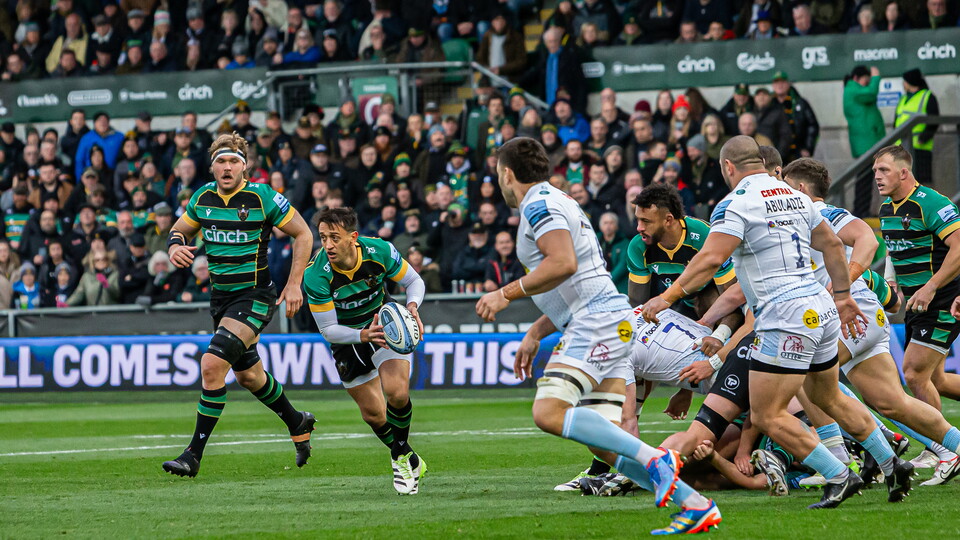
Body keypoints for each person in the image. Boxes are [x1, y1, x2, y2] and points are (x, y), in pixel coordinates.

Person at [642, 135, 912, 509]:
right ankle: (892, 463)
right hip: (821, 310)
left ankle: (838, 475)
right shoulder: (796, 196)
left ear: (728, 167)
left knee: (767, 414)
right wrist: (843, 296)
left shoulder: (734, 204)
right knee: (828, 396)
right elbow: (834, 245)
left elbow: (710, 259)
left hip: (783, 317)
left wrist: (666, 297)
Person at [475, 137, 722, 535]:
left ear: (506, 174)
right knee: (604, 443)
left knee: (547, 412)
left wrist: (505, 293)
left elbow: (563, 263)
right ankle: (695, 504)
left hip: (594, 323)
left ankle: (658, 459)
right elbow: (578, 278)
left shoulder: (538, 205)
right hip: (610, 318)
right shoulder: (559, 200)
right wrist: (537, 330)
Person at [781, 157, 960, 485]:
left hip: (857, 315)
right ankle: (948, 448)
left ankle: (840, 463)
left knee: (804, 375)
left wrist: (843, 286)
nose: (778, 193)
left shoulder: (821, 213)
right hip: (863, 317)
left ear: (801, 189)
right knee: (892, 402)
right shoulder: (799, 220)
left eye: (784, 186)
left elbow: (867, 239)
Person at [161, 133, 316, 478]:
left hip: (255, 296)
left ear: (245, 166)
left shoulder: (262, 196)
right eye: (221, 161)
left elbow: (304, 233)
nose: (227, 167)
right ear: (212, 166)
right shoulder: (202, 197)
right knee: (249, 376)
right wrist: (174, 247)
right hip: (221, 300)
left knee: (212, 365)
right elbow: (178, 230)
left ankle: (192, 455)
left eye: (234, 161)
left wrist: (294, 284)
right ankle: (297, 421)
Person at [302, 207, 428, 495]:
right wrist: (361, 335)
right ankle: (409, 456)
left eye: (335, 237)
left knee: (397, 392)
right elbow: (328, 329)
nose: (328, 245)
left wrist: (412, 308)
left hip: (384, 325)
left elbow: (414, 281)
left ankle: (399, 460)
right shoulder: (316, 275)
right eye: (323, 237)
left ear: (353, 237)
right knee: (373, 414)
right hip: (347, 338)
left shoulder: (379, 251)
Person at [876, 146, 960, 430]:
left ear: (903, 173)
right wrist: (891, 280)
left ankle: (942, 444)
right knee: (937, 379)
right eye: (875, 171)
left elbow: (959, 247)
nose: (877, 176)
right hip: (917, 303)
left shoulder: (931, 203)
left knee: (913, 373)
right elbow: (893, 248)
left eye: (884, 170)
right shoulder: (886, 209)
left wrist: (931, 287)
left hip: (944, 299)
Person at [628, 183, 735, 315]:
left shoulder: (705, 236)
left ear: (668, 220)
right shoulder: (638, 246)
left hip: (715, 299)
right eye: (638, 220)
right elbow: (636, 304)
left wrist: (721, 328)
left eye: (646, 221)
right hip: (682, 303)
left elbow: (731, 299)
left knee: (708, 300)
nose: (639, 228)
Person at [843, 65, 885, 217]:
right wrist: (875, 77)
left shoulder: (853, 90)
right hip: (865, 143)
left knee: (866, 179)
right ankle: (860, 211)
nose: (867, 84)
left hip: (868, 142)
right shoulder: (853, 89)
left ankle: (863, 210)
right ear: (856, 78)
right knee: (863, 180)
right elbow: (871, 93)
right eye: (866, 81)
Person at [894, 69, 939, 185]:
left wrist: (923, 139)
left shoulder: (927, 96)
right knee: (903, 183)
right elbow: (896, 122)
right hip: (901, 148)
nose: (903, 84)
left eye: (905, 81)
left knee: (920, 183)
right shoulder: (903, 99)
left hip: (919, 147)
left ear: (910, 82)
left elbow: (934, 121)